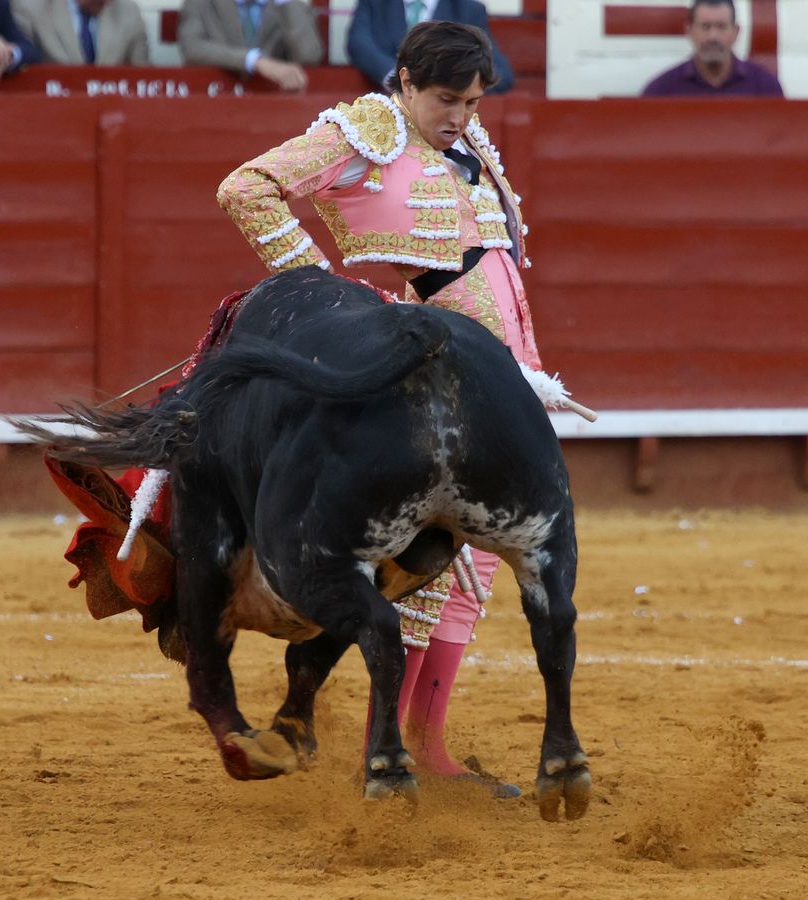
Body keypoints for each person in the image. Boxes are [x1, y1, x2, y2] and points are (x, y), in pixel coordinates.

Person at [216, 20, 536, 797]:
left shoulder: (462, 138)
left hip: (500, 376)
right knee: (432, 559)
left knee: (474, 561)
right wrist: (327, 297)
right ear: (405, 82)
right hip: (433, 379)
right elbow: (245, 189)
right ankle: (391, 748)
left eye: (473, 100)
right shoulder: (368, 131)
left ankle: (426, 744)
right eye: (446, 98)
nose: (461, 114)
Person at [347, 0, 512, 95]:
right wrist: (395, 78)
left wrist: (443, 86)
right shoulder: (376, 2)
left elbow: (501, 74)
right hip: (384, 102)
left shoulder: (467, 9)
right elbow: (358, 44)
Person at [641, 0, 782, 97]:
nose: (713, 37)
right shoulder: (661, 91)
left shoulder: (765, 88)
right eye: (705, 27)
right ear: (689, 31)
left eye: (721, 26)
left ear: (736, 32)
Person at [177, 0, 321, 92]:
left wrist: (285, 2)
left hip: (273, 100)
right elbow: (192, 48)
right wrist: (254, 61)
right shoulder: (201, 3)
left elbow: (309, 56)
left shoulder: (290, 6)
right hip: (217, 95)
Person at [14, 0, 150, 66]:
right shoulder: (30, 8)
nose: (109, 2)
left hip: (112, 106)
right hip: (51, 105)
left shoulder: (129, 12)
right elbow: (22, 69)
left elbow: (141, 73)